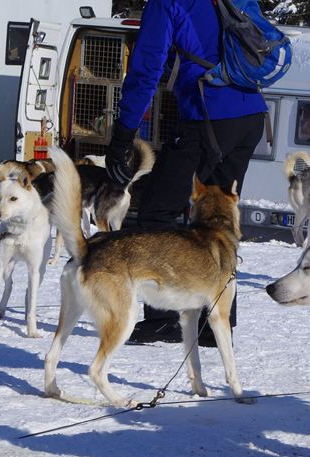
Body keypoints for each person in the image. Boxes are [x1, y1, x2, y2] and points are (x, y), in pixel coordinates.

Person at [105, 0, 266, 345]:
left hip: (206, 112)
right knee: (218, 215)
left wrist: (123, 133)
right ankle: (217, 320)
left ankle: (163, 319)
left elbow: (147, 67)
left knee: (156, 210)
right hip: (251, 112)